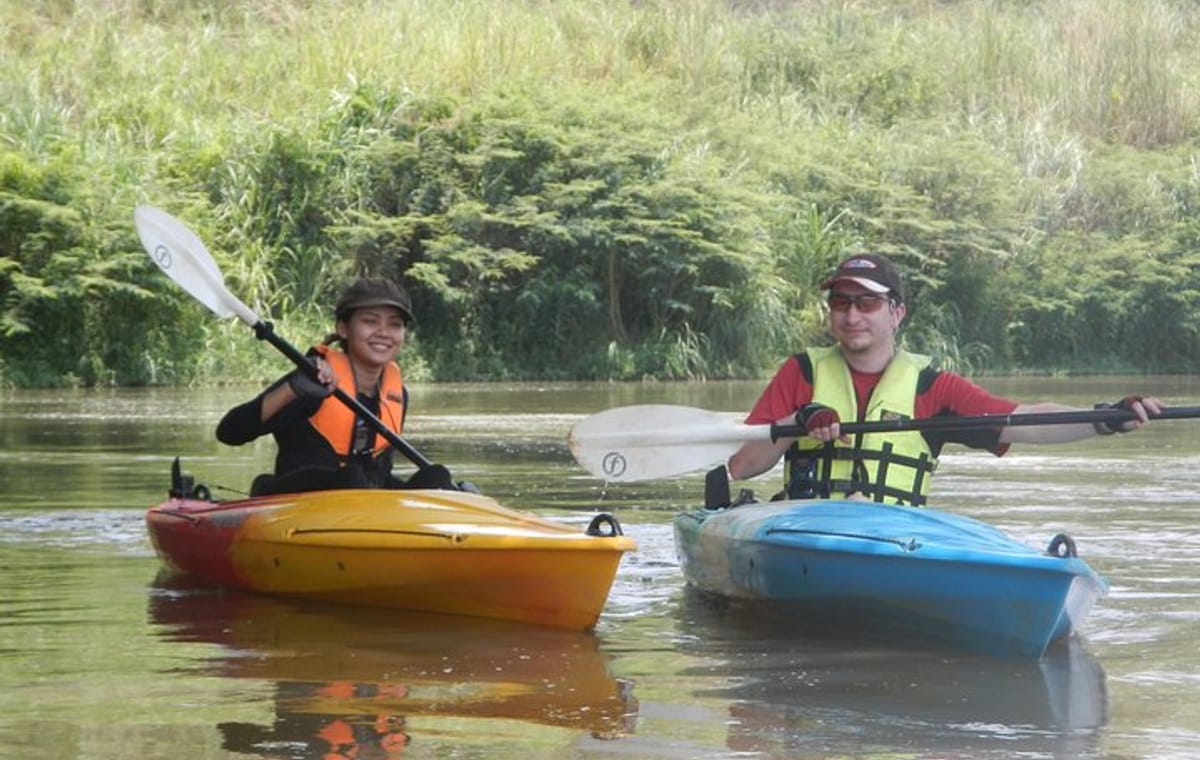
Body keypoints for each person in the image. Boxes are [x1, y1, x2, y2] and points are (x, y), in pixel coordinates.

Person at [725, 253, 1163, 506]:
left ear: (897, 313)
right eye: (841, 303)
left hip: (893, 540)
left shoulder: (934, 388)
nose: (852, 315)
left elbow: (1028, 421)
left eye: (867, 303)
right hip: (804, 531)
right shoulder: (801, 373)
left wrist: (1107, 419)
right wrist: (797, 420)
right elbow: (743, 467)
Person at [217, 277, 457, 495]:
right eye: (370, 321)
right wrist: (293, 389)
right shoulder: (313, 381)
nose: (384, 333)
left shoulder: (396, 395)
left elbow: (380, 473)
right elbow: (229, 432)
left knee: (437, 477)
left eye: (395, 325)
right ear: (343, 328)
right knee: (351, 478)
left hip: (366, 503)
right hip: (299, 499)